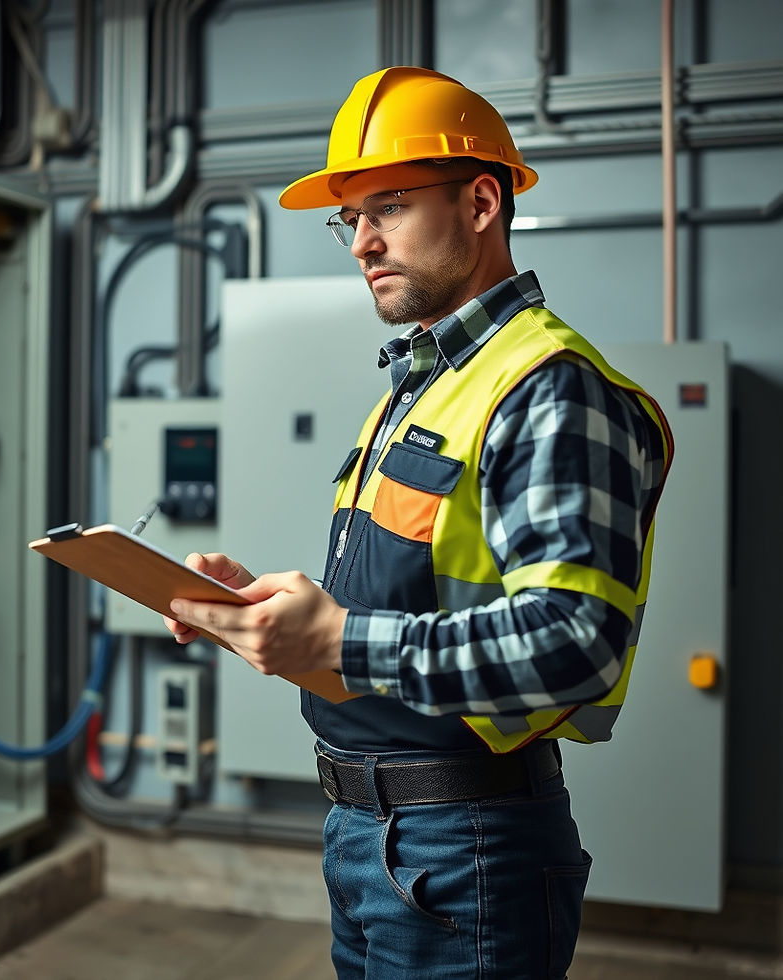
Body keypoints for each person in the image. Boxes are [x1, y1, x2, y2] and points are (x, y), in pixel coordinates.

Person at [164, 66, 674, 979]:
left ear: (482, 202)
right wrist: (258, 612)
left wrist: (343, 640)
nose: (361, 242)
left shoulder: (547, 384)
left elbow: (578, 640)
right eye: (349, 217)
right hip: (370, 840)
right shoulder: (417, 388)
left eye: (389, 206)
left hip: (465, 849)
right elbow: (387, 606)